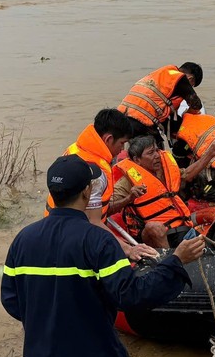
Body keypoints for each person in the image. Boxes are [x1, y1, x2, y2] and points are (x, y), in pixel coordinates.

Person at [2, 154, 206, 357]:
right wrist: (175, 262)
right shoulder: (98, 241)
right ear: (87, 191)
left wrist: (50, 318)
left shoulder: (23, 239)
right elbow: (132, 296)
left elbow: (11, 300)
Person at [46, 108, 156, 261]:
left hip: (53, 226)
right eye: (122, 143)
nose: (122, 149)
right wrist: (128, 249)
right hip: (73, 238)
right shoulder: (96, 173)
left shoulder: (77, 148)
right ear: (108, 139)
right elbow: (92, 221)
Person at [112, 135, 215, 248]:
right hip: (152, 236)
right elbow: (107, 208)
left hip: (182, 228)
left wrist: (210, 153)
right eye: (151, 153)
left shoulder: (165, 170)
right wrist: (129, 198)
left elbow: (187, 174)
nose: (157, 155)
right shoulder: (127, 181)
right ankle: (169, 260)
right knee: (154, 227)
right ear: (137, 160)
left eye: (157, 150)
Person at [117, 62, 204, 141]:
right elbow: (196, 104)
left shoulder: (161, 73)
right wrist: (188, 115)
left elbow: (163, 111)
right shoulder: (180, 78)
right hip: (141, 121)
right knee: (157, 152)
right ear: (191, 79)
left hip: (121, 117)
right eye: (191, 85)